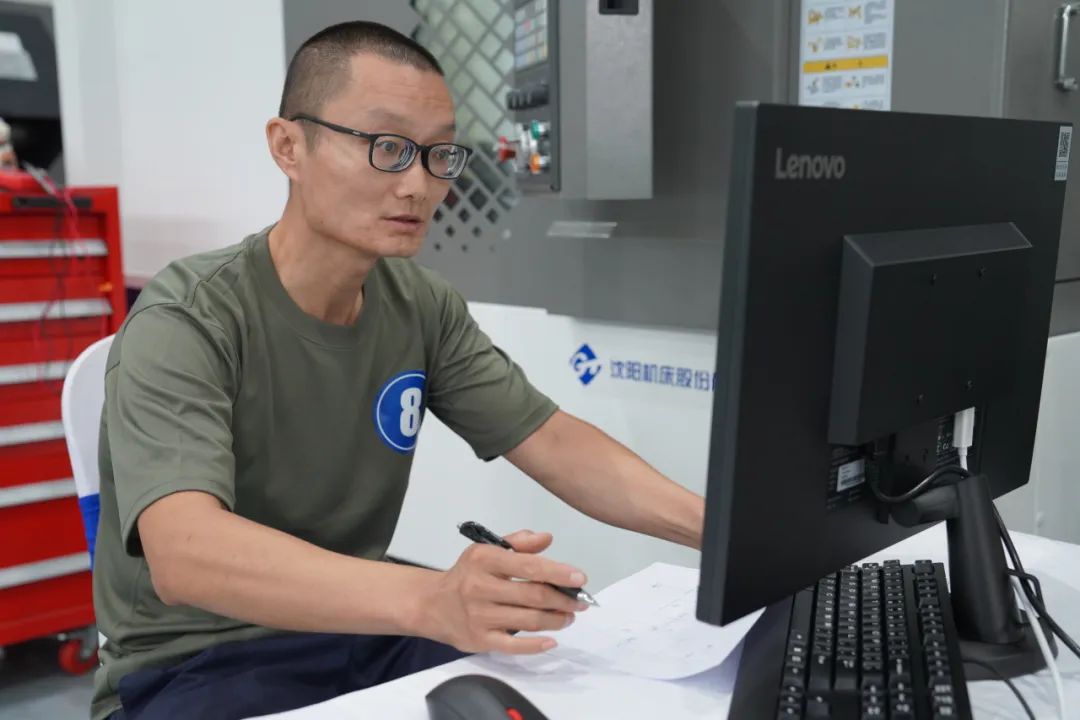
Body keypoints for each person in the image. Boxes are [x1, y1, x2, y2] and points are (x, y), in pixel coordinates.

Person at [91, 21, 704, 720]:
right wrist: (430, 599)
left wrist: (722, 536)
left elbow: (554, 442)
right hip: (195, 665)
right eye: (386, 147)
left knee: (558, 693)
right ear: (288, 146)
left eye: (438, 154)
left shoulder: (420, 305)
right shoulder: (189, 315)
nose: (418, 184)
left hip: (355, 634)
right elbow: (185, 553)